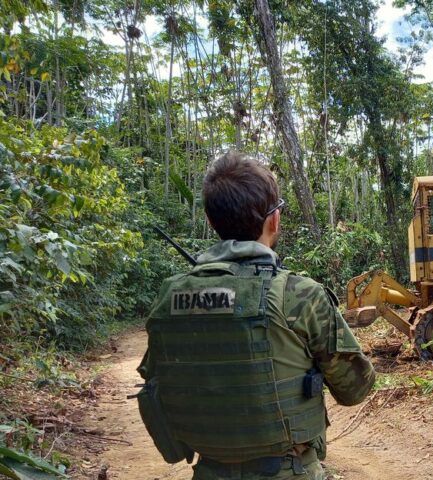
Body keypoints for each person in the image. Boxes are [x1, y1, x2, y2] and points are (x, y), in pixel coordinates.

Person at [138, 151, 375, 479]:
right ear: (274, 220)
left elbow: (156, 382)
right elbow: (355, 389)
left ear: (210, 221)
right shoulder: (300, 295)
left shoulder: (169, 297)